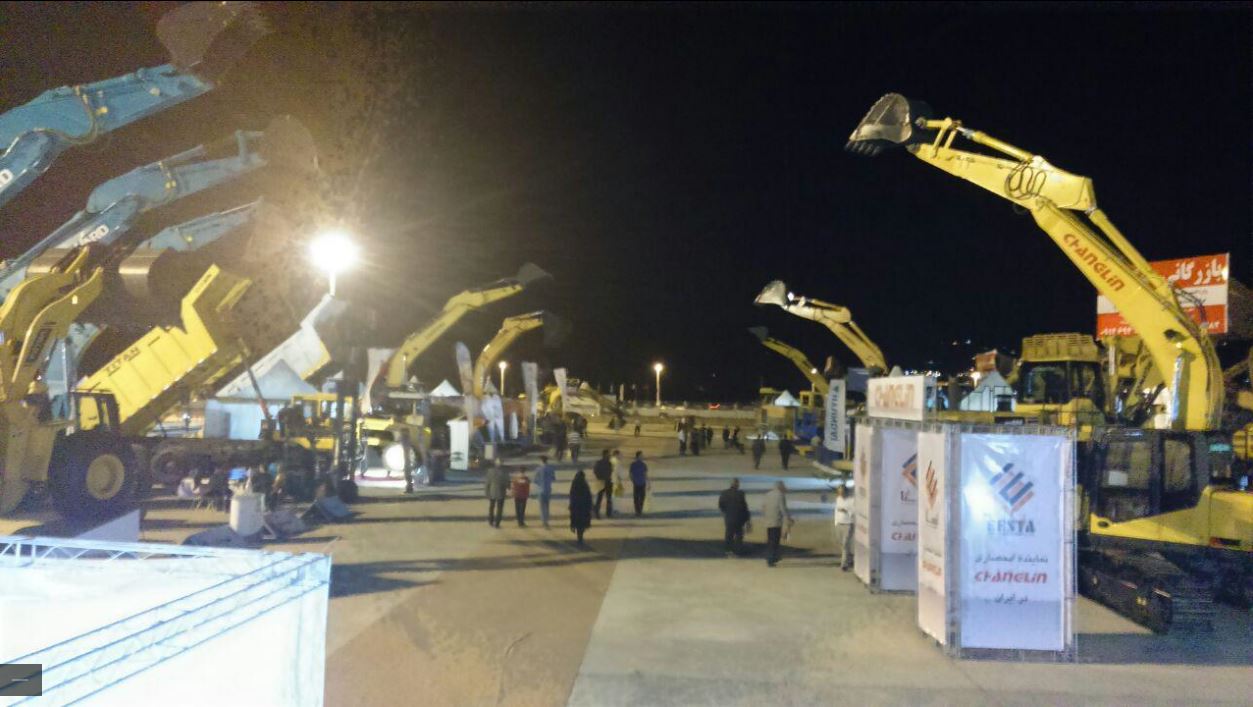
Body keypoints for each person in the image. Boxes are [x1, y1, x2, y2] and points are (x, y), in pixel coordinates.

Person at [762, 481, 793, 567]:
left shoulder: (767, 494)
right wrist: (788, 518)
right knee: (775, 541)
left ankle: (771, 557)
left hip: (768, 520)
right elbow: (783, 508)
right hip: (776, 521)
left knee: (770, 540)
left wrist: (765, 516)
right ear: (780, 487)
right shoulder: (780, 495)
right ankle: (771, 559)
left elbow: (763, 507)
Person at [718, 478, 751, 556]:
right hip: (739, 518)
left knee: (729, 535)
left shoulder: (724, 493)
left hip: (729, 517)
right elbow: (744, 507)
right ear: (737, 484)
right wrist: (747, 520)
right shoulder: (741, 493)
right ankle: (738, 551)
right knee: (739, 535)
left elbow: (721, 505)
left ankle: (728, 550)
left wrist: (726, 512)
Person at [833, 483, 855, 570]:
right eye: (839, 492)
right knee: (842, 543)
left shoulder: (851, 500)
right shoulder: (838, 499)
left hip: (848, 524)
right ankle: (850, 558)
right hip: (839, 523)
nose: (840, 494)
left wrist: (846, 511)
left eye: (842, 492)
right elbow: (836, 511)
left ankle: (844, 564)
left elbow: (854, 512)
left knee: (845, 543)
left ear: (845, 491)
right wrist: (836, 522)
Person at [569, 469, 593, 545]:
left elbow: (572, 496)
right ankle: (580, 537)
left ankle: (578, 535)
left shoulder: (574, 484)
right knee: (582, 523)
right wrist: (590, 506)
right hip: (583, 507)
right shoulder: (585, 485)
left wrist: (571, 505)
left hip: (576, 506)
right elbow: (589, 496)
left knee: (576, 521)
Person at [533, 455, 557, 528]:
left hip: (540, 489)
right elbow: (553, 478)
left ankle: (543, 521)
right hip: (548, 489)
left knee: (542, 506)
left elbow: (535, 480)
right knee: (547, 505)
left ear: (541, 461)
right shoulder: (551, 469)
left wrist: (540, 483)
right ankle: (546, 520)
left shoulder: (538, 469)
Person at [485, 460, 508, 528]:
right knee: (499, 508)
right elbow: (506, 482)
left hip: (492, 492)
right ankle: (497, 523)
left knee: (491, 507)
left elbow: (487, 483)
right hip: (501, 492)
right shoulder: (504, 472)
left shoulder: (490, 471)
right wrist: (508, 487)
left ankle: (491, 521)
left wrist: (487, 492)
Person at [593, 450, 614, 518]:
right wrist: (600, 477)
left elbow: (595, 471)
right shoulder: (602, 463)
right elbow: (596, 471)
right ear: (604, 455)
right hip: (604, 481)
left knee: (604, 498)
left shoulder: (608, 463)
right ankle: (606, 513)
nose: (609, 456)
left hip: (605, 481)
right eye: (608, 455)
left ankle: (606, 513)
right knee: (603, 498)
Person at [629, 451, 649, 516]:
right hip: (640, 482)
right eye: (641, 456)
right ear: (638, 456)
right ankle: (638, 511)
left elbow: (645, 474)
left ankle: (638, 511)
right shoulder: (640, 465)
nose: (642, 457)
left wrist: (633, 480)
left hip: (639, 482)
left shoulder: (642, 464)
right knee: (639, 497)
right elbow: (645, 474)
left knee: (638, 498)